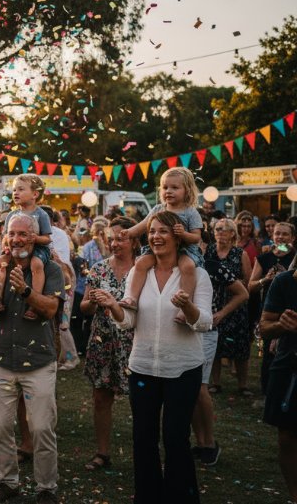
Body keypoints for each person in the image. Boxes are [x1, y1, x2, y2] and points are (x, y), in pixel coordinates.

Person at [108, 210, 214, 504]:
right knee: (143, 439)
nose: (155, 236)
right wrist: (113, 307)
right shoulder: (139, 271)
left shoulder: (197, 274)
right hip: (143, 367)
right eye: (152, 231)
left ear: (177, 237)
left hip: (182, 369)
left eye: (163, 231)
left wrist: (187, 307)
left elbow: (205, 322)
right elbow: (128, 320)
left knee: (175, 439)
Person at [0, 212, 64, 504]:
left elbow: (50, 309)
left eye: (23, 234)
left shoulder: (50, 269)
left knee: (41, 428)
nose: (17, 239)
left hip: (39, 360)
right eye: (12, 233)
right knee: (1, 426)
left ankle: (46, 487)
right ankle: (7, 482)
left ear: (34, 238)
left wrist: (26, 292)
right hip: (2, 359)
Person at [78, 217, 137, 472]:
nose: (114, 244)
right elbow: (84, 308)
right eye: (111, 239)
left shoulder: (143, 268)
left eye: (120, 239)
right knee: (101, 398)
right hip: (103, 340)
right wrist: (92, 301)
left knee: (142, 400)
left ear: (134, 240)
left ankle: (144, 452)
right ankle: (102, 452)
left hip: (135, 341)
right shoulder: (99, 268)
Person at [190, 218, 248, 467]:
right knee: (189, 388)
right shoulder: (179, 266)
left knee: (200, 387)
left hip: (206, 330)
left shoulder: (213, 267)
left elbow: (242, 293)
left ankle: (210, 443)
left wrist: (222, 313)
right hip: (184, 330)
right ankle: (200, 441)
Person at [121, 168, 203, 311]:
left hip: (185, 250)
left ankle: (186, 304)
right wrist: (129, 232)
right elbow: (144, 225)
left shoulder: (190, 212)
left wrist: (183, 234)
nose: (168, 191)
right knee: (140, 263)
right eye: (165, 187)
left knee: (188, 266)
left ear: (187, 190)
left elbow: (196, 237)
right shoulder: (158, 209)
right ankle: (132, 298)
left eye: (174, 188)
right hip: (159, 249)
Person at [260, 265, 297, 501]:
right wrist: (281, 325)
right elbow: (264, 328)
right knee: (287, 437)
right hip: (289, 367)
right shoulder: (284, 282)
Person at [208, 218, 254, 396]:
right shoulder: (209, 251)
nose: (219, 232)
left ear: (232, 233)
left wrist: (232, 283)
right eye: (217, 229)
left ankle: (243, 385)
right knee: (215, 344)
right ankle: (216, 383)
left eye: (224, 229)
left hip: (235, 303)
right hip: (213, 302)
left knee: (240, 345)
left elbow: (247, 281)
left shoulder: (239, 253)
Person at [250, 222, 297, 394]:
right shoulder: (264, 258)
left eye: (285, 234)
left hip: (290, 309)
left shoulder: (294, 256)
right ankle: (267, 393)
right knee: (268, 354)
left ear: (293, 237)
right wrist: (266, 279)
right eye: (277, 234)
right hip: (269, 310)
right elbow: (251, 286)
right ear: (272, 236)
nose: (280, 237)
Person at [0, 174, 53, 304]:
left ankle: (35, 300)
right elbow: (5, 236)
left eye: (21, 189)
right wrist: (5, 246)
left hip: (38, 249)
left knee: (36, 264)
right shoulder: (11, 215)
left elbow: (47, 239)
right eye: (14, 190)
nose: (16, 193)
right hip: (16, 248)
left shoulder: (41, 214)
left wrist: (36, 238)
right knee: (1, 261)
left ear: (35, 194)